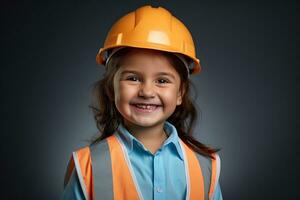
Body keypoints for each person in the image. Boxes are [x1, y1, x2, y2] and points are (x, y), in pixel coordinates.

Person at [63, 5, 223, 200]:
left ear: (180, 93)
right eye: (133, 78)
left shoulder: (206, 166)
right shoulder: (86, 165)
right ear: (111, 89)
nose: (147, 92)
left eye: (162, 81)